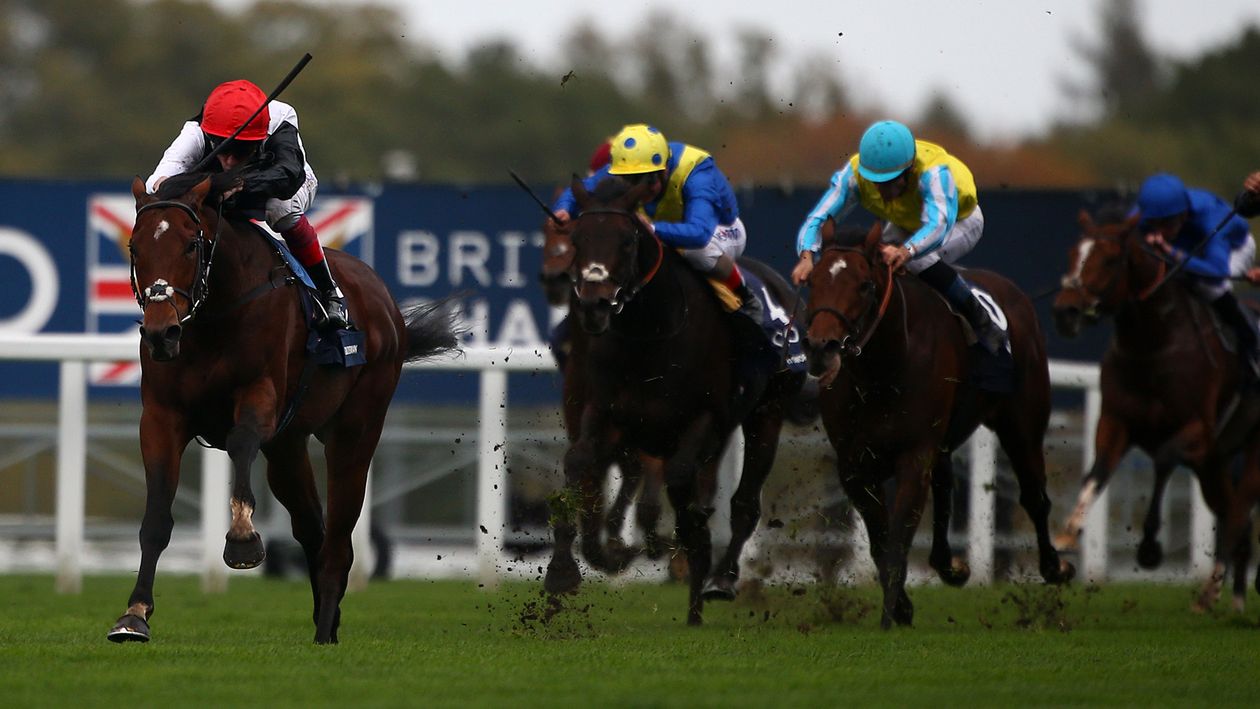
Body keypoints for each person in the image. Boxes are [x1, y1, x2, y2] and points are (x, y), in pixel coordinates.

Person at [145, 79, 348, 329]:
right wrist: (216, 185)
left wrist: (237, 184)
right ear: (210, 136)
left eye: (241, 150)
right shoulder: (195, 132)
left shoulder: (281, 119)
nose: (230, 161)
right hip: (223, 189)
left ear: (260, 137)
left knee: (282, 210)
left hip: (285, 186)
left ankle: (329, 293)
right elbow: (157, 185)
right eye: (223, 149)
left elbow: (289, 176)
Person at [791, 119, 1006, 355]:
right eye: (875, 183)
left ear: (909, 170)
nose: (881, 192)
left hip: (959, 222)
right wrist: (807, 256)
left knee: (916, 261)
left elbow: (938, 225)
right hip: (905, 222)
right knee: (876, 263)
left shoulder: (935, 174)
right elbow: (818, 218)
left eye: (889, 183)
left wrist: (906, 251)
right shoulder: (853, 175)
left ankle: (981, 320)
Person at [551, 123, 763, 327]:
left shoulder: (697, 173)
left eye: (647, 181)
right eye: (629, 181)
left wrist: (652, 229)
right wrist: (564, 209)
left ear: (665, 170)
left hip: (720, 230)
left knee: (697, 252)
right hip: (664, 226)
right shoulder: (630, 165)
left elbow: (699, 233)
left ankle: (746, 296)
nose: (639, 190)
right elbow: (579, 190)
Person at [1137, 172, 1260, 378]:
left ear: (1183, 215)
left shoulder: (1212, 220)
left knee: (1209, 287)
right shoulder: (1148, 212)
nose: (1160, 231)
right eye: (1153, 224)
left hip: (1232, 249)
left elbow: (1217, 272)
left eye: (1167, 224)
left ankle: (1252, 348)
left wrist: (1170, 251)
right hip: (1191, 244)